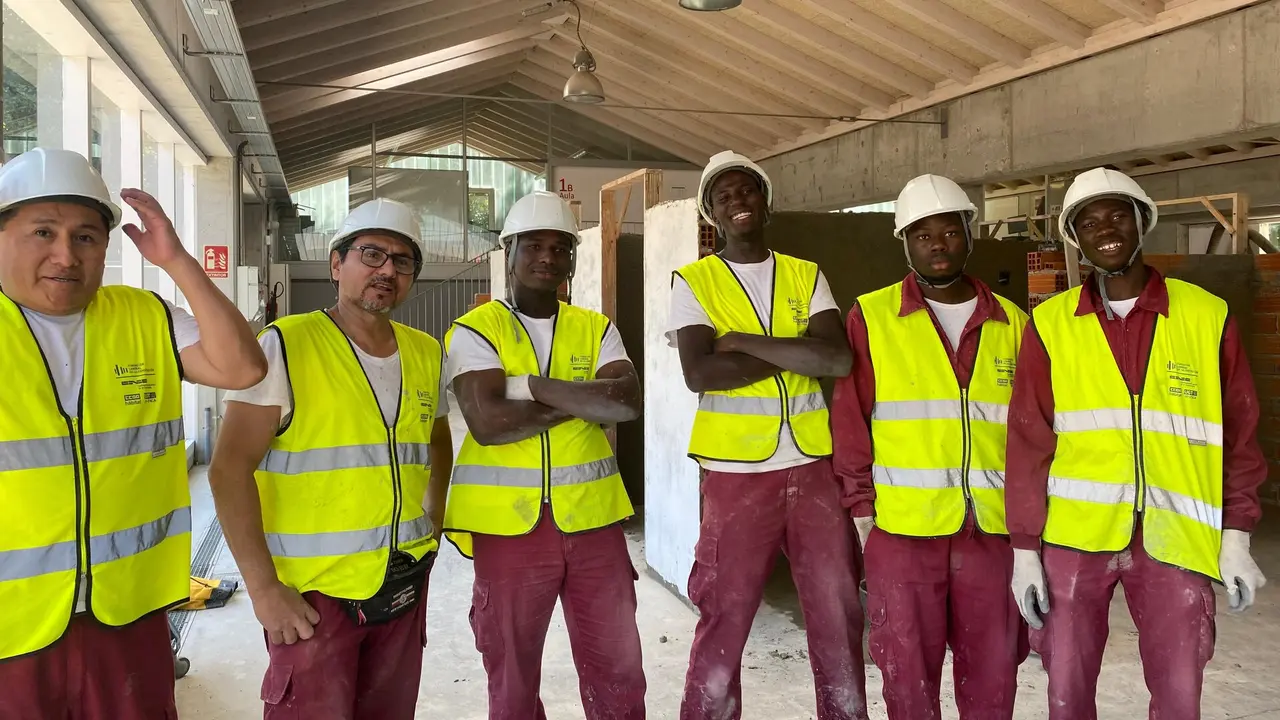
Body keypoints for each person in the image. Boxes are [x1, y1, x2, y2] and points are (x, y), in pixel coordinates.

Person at [0, 148, 267, 719]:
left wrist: (175, 261)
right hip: (11, 630)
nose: (65, 255)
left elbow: (243, 367)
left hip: (128, 612)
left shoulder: (145, 315)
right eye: (43, 232)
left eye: (86, 237)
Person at [1005, 167, 1268, 720]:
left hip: (1176, 536)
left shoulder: (1207, 315)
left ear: (1142, 221)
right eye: (1089, 222)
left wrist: (1237, 534)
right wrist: (1024, 550)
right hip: (1076, 536)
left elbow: (1240, 434)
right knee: (1066, 687)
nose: (1106, 230)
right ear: (1076, 238)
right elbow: (1028, 443)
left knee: (1178, 693)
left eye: (1117, 215)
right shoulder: (1050, 325)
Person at [208, 198, 454, 720]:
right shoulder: (285, 345)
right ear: (336, 264)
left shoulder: (427, 352)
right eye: (372, 254)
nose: (387, 270)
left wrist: (433, 521)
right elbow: (228, 470)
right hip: (313, 600)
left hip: (402, 583)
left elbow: (436, 440)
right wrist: (263, 590)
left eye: (402, 261)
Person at [672, 150, 864, 720]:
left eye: (747, 190)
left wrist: (742, 342)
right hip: (735, 473)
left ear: (766, 201)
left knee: (837, 609)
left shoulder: (806, 274)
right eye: (724, 196)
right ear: (712, 213)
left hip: (812, 465)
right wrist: (795, 350)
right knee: (725, 612)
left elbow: (836, 360)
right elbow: (700, 373)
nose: (738, 202)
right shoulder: (694, 281)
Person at [832, 174, 1029, 719]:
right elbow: (850, 421)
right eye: (922, 235)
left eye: (949, 232)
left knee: (993, 676)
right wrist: (861, 508)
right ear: (904, 243)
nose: (937, 245)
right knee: (907, 677)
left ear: (970, 234)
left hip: (992, 532)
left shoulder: (1014, 323)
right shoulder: (871, 317)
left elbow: (1033, 434)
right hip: (903, 531)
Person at [444, 190, 645, 719]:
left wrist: (530, 385)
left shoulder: (596, 327)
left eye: (560, 248)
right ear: (508, 251)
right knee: (511, 675)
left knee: (619, 670)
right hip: (509, 529)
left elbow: (625, 403)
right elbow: (488, 423)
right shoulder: (476, 330)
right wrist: (582, 399)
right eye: (533, 245)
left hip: (593, 522)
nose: (548, 257)